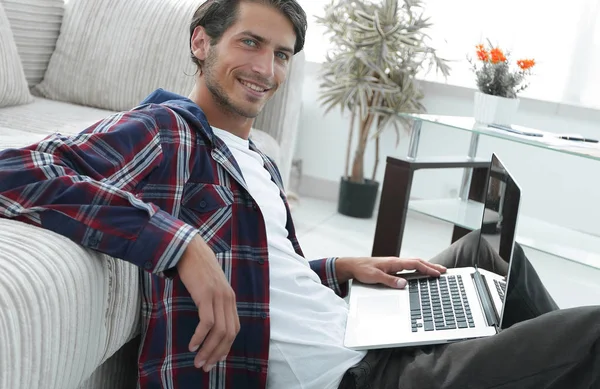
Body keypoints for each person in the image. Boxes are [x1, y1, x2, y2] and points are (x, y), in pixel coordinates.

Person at [0, 0, 598, 388]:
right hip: (354, 377)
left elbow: (268, 274)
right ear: (201, 43)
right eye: (250, 43)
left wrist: (337, 266)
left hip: (361, 328)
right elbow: (16, 170)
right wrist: (181, 246)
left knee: (487, 259)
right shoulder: (164, 130)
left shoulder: (255, 157)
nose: (267, 68)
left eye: (281, 54)